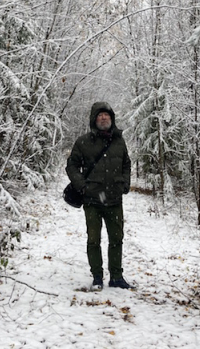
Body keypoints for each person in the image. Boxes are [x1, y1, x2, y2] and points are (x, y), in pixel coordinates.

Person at [66, 102, 133, 290]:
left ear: (112, 119)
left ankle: (116, 277)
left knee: (117, 239)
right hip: (92, 201)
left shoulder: (119, 141)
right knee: (93, 240)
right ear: (94, 119)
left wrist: (125, 183)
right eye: (100, 115)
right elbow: (71, 166)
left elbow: (126, 163)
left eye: (107, 115)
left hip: (114, 199)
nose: (104, 118)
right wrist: (82, 187)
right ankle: (97, 276)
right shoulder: (83, 142)